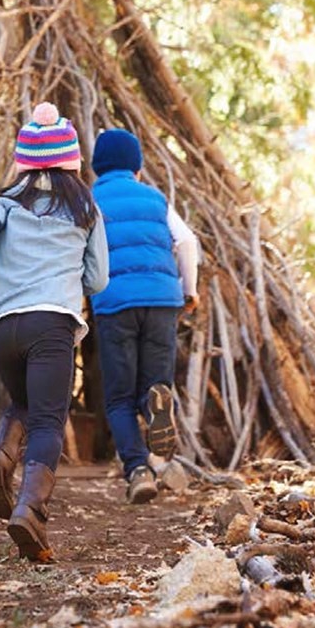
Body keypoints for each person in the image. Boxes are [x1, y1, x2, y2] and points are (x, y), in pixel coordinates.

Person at [0, 102, 108, 562]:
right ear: (71, 161)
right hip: (52, 323)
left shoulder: (4, 202)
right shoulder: (86, 207)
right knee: (49, 419)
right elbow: (99, 279)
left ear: (24, 161)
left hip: (1, 326)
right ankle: (29, 509)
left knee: (25, 405)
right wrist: (73, 279)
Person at [90, 128, 199, 505]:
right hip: (162, 300)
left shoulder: (91, 200)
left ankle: (137, 470)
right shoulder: (155, 198)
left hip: (114, 303)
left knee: (118, 397)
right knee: (154, 384)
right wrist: (189, 289)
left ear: (96, 167)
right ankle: (155, 401)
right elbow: (186, 241)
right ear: (137, 167)